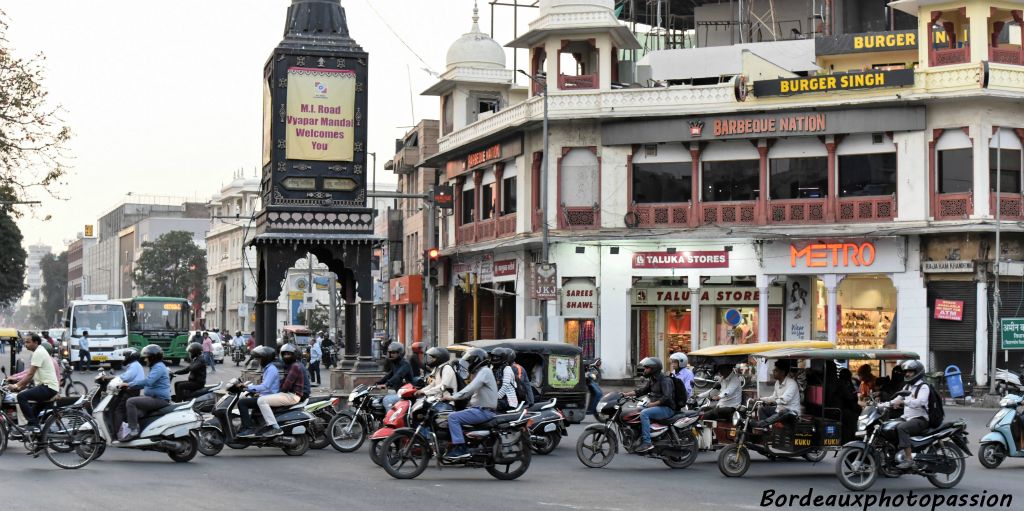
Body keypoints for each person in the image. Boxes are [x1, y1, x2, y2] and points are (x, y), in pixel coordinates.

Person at [443, 348, 497, 460]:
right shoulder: (482, 372)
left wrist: (452, 397)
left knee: (453, 417)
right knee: (454, 414)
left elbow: (470, 389)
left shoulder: (485, 372)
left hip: (484, 411)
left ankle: (460, 448)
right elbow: (475, 394)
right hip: (480, 409)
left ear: (477, 360)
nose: (469, 364)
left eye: (471, 361)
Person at [6, 335, 59, 440]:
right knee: (33, 413)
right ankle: (39, 442)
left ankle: (34, 427)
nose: (26, 345)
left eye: (28, 342)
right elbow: (30, 375)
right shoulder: (39, 352)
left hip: (47, 387)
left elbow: (30, 374)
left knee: (21, 397)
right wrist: (21, 386)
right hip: (48, 387)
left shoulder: (38, 353)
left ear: (35, 342)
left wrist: (17, 385)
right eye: (25, 342)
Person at [881, 360, 929, 469]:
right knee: (888, 426)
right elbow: (897, 399)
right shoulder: (907, 386)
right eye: (906, 372)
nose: (907, 374)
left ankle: (909, 459)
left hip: (920, 419)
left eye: (910, 372)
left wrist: (903, 402)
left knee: (902, 428)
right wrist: (881, 405)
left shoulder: (923, 387)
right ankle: (893, 456)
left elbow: (920, 402)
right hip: (907, 418)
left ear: (917, 372)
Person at [250, 344, 306, 438]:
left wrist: (277, 391)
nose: (286, 356)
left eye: (289, 354)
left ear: (295, 355)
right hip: (289, 394)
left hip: (292, 395)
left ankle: (275, 428)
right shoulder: (290, 366)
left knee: (262, 400)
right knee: (262, 398)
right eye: (284, 354)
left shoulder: (295, 367)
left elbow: (286, 385)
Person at [122, 345, 172, 441]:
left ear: (152, 357)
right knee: (137, 413)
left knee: (131, 402)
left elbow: (148, 381)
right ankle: (143, 434)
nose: (145, 360)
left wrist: (129, 384)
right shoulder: (156, 366)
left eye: (146, 358)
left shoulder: (158, 367)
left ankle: (134, 431)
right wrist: (130, 386)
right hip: (154, 397)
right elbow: (146, 383)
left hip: (159, 399)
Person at [625, 357, 675, 453]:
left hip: (667, 408)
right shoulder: (653, 379)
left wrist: (652, 404)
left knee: (644, 413)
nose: (645, 370)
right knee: (636, 410)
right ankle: (638, 437)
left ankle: (647, 443)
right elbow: (642, 391)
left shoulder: (664, 380)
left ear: (654, 369)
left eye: (647, 368)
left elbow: (667, 397)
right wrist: (625, 394)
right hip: (657, 407)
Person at [237, 346, 280, 438]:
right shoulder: (268, 368)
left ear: (266, 358)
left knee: (242, 403)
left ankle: (248, 429)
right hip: (265, 395)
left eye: (259, 358)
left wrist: (248, 387)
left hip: (270, 397)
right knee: (249, 399)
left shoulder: (271, 369)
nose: (258, 360)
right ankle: (255, 425)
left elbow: (266, 386)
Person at [756, 360, 801, 429]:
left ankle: (761, 424)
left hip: (791, 413)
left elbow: (785, 400)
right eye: (774, 370)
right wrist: (760, 399)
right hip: (780, 411)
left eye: (776, 371)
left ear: (782, 372)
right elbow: (774, 397)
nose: (773, 372)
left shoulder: (791, 383)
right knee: (762, 409)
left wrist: (773, 402)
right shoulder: (777, 383)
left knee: (783, 412)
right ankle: (766, 430)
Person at [377, 342, 414, 409]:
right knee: (377, 400)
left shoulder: (405, 364)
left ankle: (390, 419)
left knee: (387, 400)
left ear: (400, 353)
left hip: (406, 394)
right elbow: (389, 375)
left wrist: (387, 384)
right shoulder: (395, 364)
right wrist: (378, 383)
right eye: (390, 353)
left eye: (394, 353)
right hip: (398, 392)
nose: (391, 355)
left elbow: (398, 375)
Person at [490, 347, 519, 412]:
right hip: (497, 398)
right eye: (493, 357)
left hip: (508, 400)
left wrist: (495, 398)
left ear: (502, 358)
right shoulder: (492, 369)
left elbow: (505, 386)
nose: (494, 358)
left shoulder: (507, 369)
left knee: (489, 407)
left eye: (497, 357)